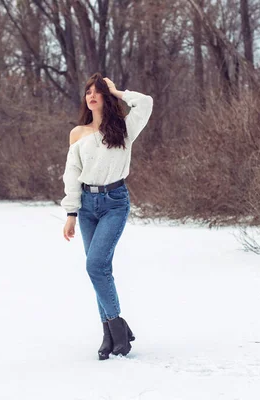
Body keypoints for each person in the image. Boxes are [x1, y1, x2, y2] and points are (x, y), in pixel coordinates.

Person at [61, 72, 153, 360]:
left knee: (96, 265)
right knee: (99, 269)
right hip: (87, 205)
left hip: (114, 202)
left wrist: (117, 91)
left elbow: (146, 103)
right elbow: (72, 174)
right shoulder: (77, 133)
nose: (91, 95)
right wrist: (71, 213)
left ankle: (117, 328)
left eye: (97, 91)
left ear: (106, 97)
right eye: (88, 91)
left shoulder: (123, 128)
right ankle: (110, 334)